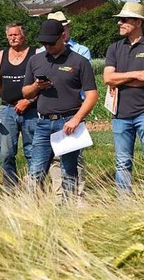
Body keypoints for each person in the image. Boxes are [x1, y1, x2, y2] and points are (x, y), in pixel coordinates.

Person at [22, 19, 98, 200]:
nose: (47, 46)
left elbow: (92, 94)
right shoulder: (35, 60)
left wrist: (76, 119)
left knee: (68, 170)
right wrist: (37, 86)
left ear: (62, 36)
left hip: (68, 124)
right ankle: (31, 208)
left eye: (51, 42)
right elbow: (26, 92)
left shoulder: (79, 61)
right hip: (43, 123)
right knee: (36, 170)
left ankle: (68, 207)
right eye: (43, 43)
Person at [103, 2, 144, 198]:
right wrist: (138, 74)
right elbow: (107, 78)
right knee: (122, 162)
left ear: (138, 22)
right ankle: (125, 204)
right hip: (120, 113)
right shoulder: (114, 48)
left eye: (124, 20)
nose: (119, 23)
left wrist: (122, 79)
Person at [43, 11, 91, 199]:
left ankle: (78, 193)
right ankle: (59, 194)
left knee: (74, 156)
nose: (63, 30)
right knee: (55, 157)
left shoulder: (81, 50)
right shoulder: (41, 52)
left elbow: (85, 85)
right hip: (50, 111)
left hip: (73, 111)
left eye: (64, 26)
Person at [0, 23, 38, 189]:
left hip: (31, 111)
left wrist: (28, 101)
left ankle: (35, 189)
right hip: (7, 110)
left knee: (32, 152)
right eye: (10, 35)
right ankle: (10, 189)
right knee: (6, 153)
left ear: (24, 36)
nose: (13, 38)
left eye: (16, 35)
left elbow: (42, 84)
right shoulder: (1, 55)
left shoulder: (36, 54)